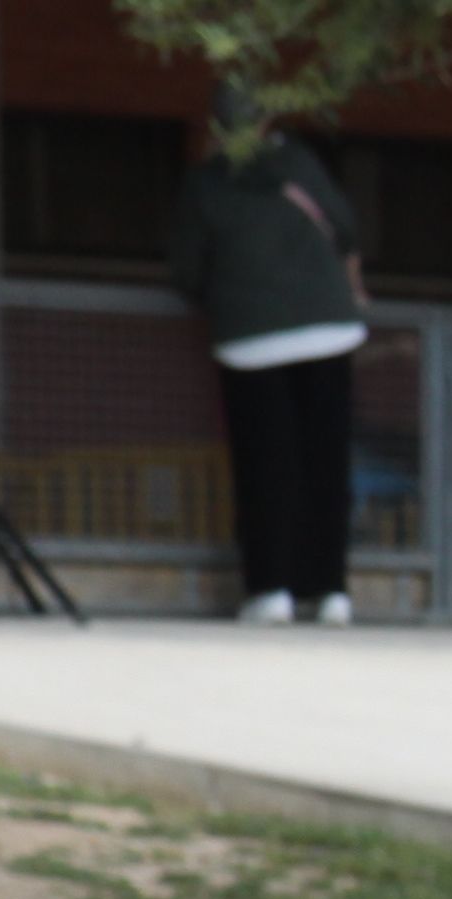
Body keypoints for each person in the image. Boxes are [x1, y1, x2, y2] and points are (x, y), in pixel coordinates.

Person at [167, 82, 365, 626]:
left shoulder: (206, 184)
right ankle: (330, 591)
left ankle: (271, 587)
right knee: (326, 465)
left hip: (250, 338)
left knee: (266, 467)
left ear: (215, 131)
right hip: (329, 328)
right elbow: (345, 226)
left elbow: (186, 269)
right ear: (264, 124)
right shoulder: (300, 163)